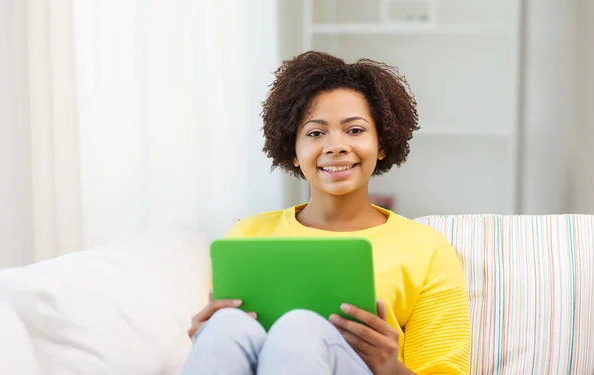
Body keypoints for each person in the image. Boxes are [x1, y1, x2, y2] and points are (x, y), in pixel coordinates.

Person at [180, 51, 471, 375]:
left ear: (382, 143)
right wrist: (206, 339)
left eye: (355, 130)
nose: (336, 146)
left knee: (300, 327)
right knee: (226, 327)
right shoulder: (246, 237)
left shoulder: (427, 249)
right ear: (293, 150)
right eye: (316, 133)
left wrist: (391, 367)